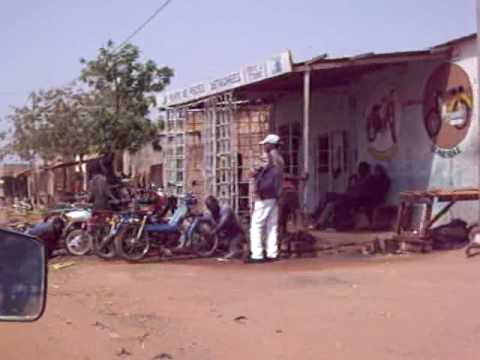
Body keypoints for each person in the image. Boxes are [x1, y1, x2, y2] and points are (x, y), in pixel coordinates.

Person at [247, 134, 284, 263]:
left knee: (256, 225)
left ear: (271, 145)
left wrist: (252, 173)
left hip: (263, 195)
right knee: (272, 225)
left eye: (265, 144)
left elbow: (252, 172)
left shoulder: (266, 157)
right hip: (275, 195)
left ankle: (257, 255)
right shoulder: (280, 159)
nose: (264, 146)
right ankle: (272, 253)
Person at [204, 196, 245, 260]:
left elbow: (223, 222)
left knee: (233, 253)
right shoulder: (208, 214)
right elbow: (202, 220)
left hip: (236, 234)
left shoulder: (225, 209)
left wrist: (214, 231)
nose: (211, 208)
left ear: (216, 203)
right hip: (223, 236)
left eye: (211, 205)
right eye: (208, 206)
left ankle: (242, 249)